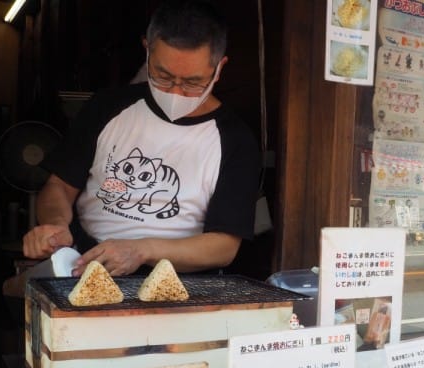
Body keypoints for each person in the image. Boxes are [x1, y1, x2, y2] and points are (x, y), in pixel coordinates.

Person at [21, 0, 261, 277]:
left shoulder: (235, 140)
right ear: (147, 51)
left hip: (178, 281)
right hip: (85, 264)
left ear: (220, 68)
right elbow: (58, 187)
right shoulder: (107, 107)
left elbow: (223, 246)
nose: (177, 92)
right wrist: (55, 225)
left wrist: (142, 250)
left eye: (193, 82)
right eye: (163, 75)